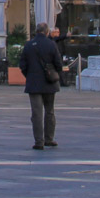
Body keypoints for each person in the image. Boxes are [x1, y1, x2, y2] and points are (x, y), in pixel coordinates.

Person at [18, 22, 62, 150]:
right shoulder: (51, 44)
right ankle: (49, 138)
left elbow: (22, 65)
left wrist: (30, 76)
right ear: (47, 32)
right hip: (49, 83)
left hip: (34, 83)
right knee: (50, 111)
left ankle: (39, 141)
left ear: (36, 31)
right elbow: (58, 64)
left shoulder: (29, 45)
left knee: (36, 113)